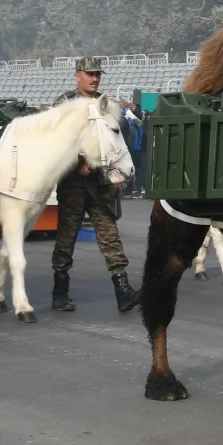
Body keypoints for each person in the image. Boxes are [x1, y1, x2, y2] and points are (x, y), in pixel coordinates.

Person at [50, 57, 140, 313]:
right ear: (77, 75)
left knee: (110, 237)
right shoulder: (64, 103)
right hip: (73, 184)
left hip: (101, 184)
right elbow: (56, 140)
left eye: (97, 74)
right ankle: (60, 292)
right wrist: (77, 162)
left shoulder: (107, 104)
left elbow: (115, 143)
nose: (94, 78)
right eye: (89, 74)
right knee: (66, 238)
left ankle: (123, 291)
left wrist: (116, 175)